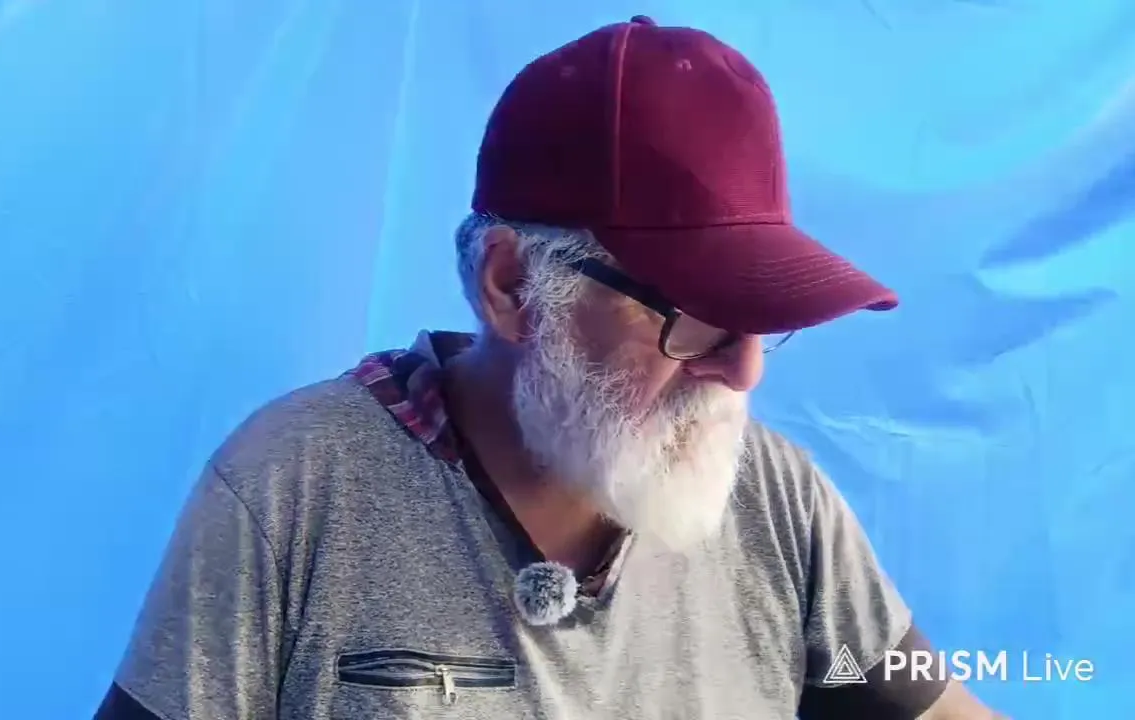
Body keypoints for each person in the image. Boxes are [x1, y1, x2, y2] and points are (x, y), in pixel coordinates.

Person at [94, 15, 1004, 720]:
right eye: (696, 320)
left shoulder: (777, 503)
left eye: (763, 323)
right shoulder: (298, 489)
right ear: (511, 286)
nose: (744, 375)